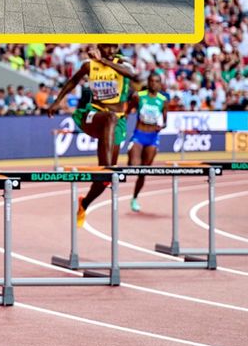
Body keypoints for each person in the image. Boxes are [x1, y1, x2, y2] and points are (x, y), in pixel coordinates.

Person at [45, 45, 138, 227]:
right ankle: (107, 169)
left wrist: (104, 61)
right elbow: (72, 81)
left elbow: (132, 75)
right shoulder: (89, 66)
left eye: (113, 47)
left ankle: (84, 203)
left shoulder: (123, 63)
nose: (110, 50)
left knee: (103, 180)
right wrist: (57, 101)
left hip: (116, 123)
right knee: (109, 120)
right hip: (93, 115)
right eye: (105, 47)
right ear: (98, 47)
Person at [125, 72, 170, 213]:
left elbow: (165, 122)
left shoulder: (163, 100)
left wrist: (161, 126)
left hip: (152, 138)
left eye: (156, 81)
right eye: (151, 81)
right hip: (139, 134)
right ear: (148, 82)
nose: (153, 84)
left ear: (160, 83)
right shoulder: (139, 96)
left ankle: (134, 198)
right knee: (133, 166)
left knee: (143, 171)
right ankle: (130, 157)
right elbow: (128, 111)